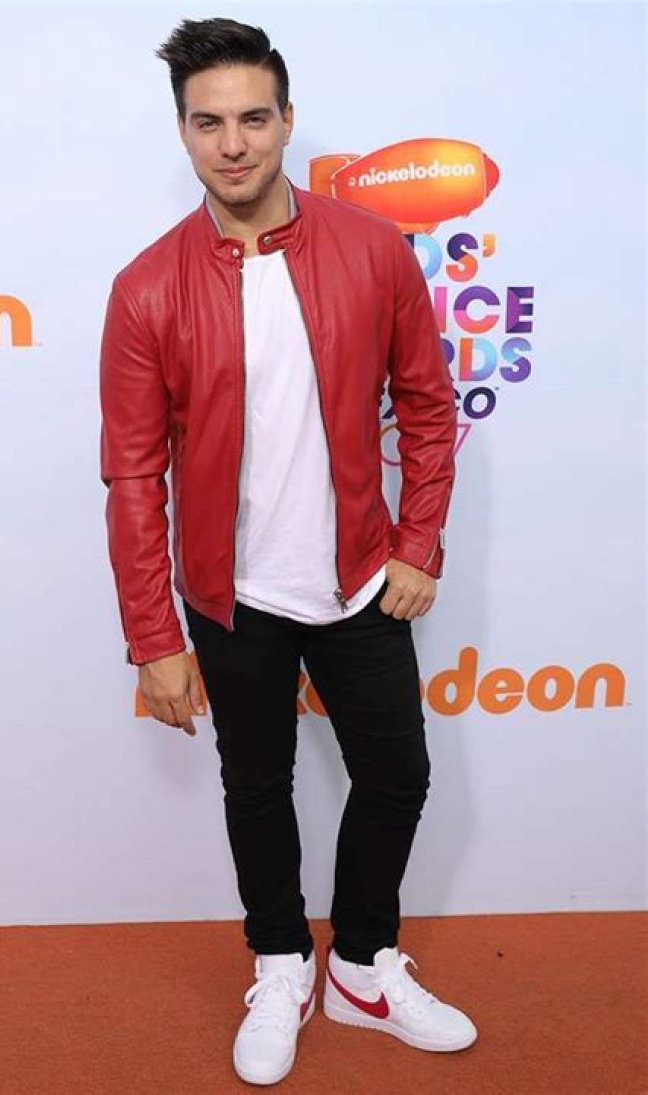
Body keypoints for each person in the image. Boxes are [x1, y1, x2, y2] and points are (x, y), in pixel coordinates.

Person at [99, 16, 477, 1086]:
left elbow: (428, 406)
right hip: (233, 595)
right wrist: (153, 637)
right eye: (208, 123)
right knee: (256, 786)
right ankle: (278, 962)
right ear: (182, 131)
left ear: (287, 122)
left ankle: (360, 965)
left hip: (360, 578)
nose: (233, 144)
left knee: (397, 775)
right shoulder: (146, 288)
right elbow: (134, 476)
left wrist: (418, 542)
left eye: (253, 119)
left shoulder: (371, 250)